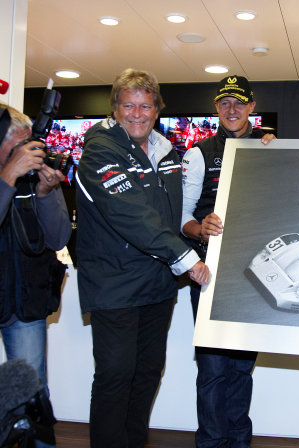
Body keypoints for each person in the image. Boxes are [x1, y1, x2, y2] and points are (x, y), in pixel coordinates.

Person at [75, 68, 210, 448]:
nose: (137, 113)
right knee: (116, 376)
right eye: (128, 105)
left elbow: (175, 213)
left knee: (148, 372)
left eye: (145, 106)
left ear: (156, 110)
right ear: (115, 109)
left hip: (158, 286)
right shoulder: (100, 149)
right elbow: (131, 214)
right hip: (115, 286)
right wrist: (186, 259)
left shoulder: (167, 152)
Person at [181, 75, 274, 448]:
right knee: (213, 370)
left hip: (254, 274)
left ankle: (239, 442)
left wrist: (275, 148)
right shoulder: (198, 153)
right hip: (209, 274)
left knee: (241, 370)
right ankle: (211, 443)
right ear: (216, 109)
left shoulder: (271, 147)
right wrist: (200, 229)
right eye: (224, 104)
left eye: (239, 102)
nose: (231, 109)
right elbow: (181, 217)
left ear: (252, 107)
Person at [0, 102, 71, 447]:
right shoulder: (11, 176)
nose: (28, 154)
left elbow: (58, 237)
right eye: (18, 146)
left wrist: (45, 193)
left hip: (25, 302)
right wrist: (8, 177)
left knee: (33, 396)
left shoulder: (34, 178)